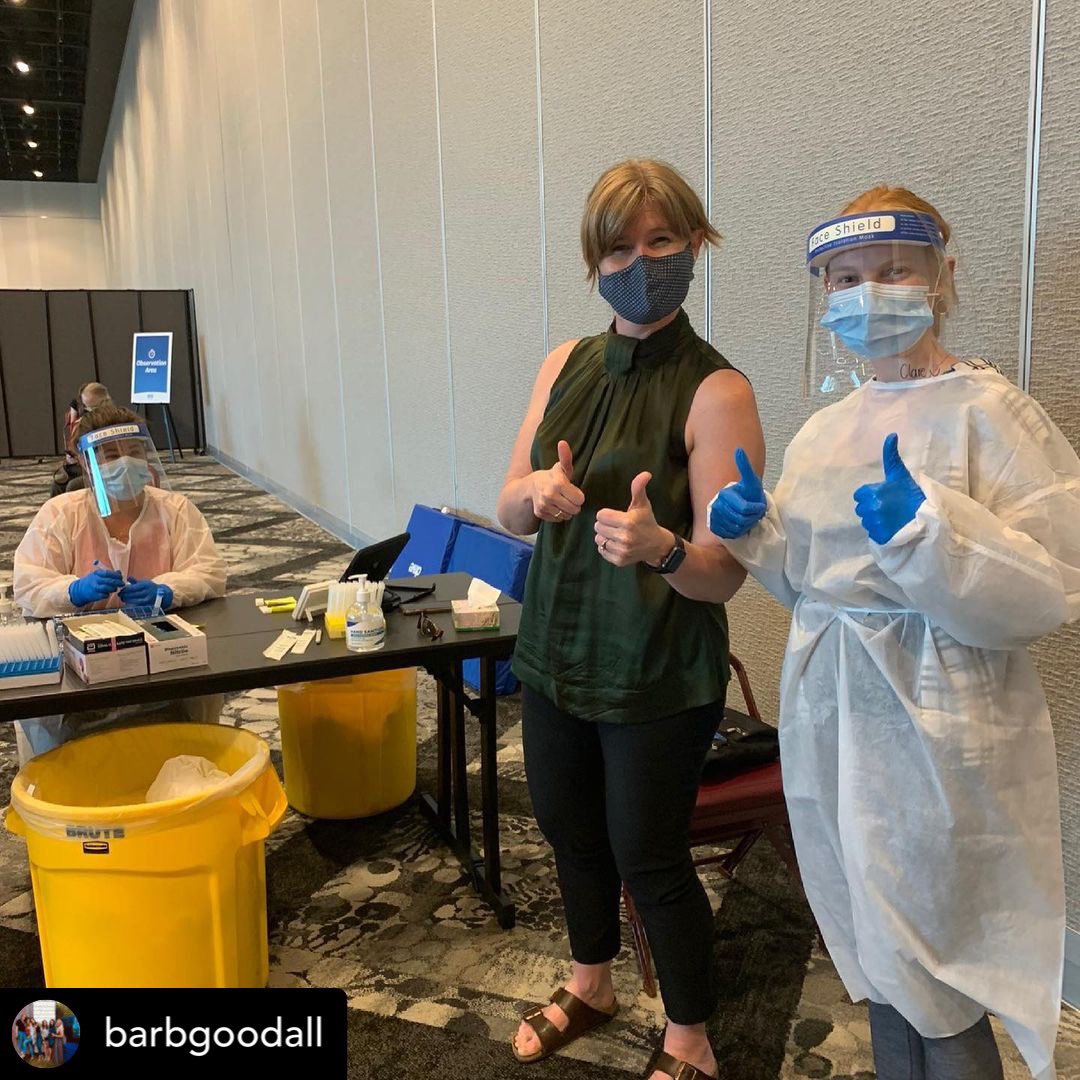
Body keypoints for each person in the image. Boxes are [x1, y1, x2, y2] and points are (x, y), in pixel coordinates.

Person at [708, 186, 1080, 1080]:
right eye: (846, 277)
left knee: (934, 960)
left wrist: (932, 537)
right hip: (835, 712)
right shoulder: (829, 430)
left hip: (939, 726)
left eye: (894, 271)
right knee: (870, 945)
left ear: (941, 280)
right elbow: (809, 588)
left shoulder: (988, 413)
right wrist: (756, 533)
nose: (869, 294)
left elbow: (1053, 583)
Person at [498, 159, 764, 1080]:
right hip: (555, 651)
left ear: (696, 245)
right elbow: (505, 508)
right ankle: (593, 982)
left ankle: (691, 1035)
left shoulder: (717, 389)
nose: (640, 261)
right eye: (620, 247)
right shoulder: (561, 364)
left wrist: (660, 547)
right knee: (570, 835)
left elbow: (724, 577)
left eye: (661, 241)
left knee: (648, 859)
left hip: (655, 668)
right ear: (594, 260)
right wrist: (534, 491)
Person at [13, 404, 228, 764]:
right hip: (81, 664)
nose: (124, 462)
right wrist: (73, 591)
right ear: (86, 464)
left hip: (162, 653)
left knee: (190, 716)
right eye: (110, 456)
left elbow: (208, 571)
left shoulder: (175, 509)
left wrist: (167, 589)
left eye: (134, 452)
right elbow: (29, 583)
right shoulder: (61, 514)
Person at [51, 381, 112, 497]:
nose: (86, 410)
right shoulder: (84, 421)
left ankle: (78, 514)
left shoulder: (110, 419)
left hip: (105, 468)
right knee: (57, 485)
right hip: (86, 466)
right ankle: (55, 515)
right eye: (84, 406)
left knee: (73, 486)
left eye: (89, 407)